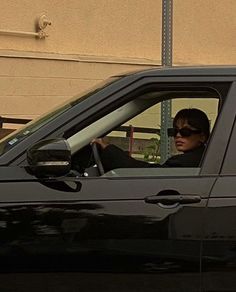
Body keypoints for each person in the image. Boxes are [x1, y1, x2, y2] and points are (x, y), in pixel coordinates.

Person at [92, 108, 210, 172]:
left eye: (185, 132)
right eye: (174, 131)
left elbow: (148, 173)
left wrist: (109, 150)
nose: (178, 136)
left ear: (202, 136)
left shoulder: (186, 163)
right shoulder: (203, 159)